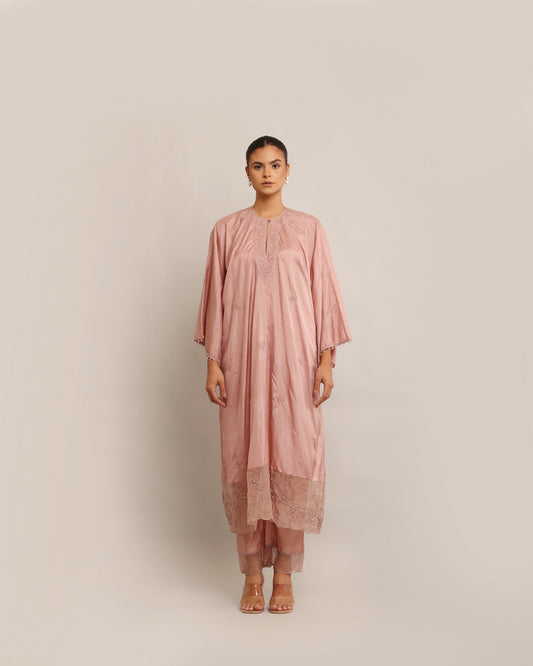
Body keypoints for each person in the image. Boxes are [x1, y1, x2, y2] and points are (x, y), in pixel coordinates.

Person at [193, 135, 352, 613]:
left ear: (287, 171)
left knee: (292, 453)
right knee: (244, 454)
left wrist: (325, 358)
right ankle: (250, 576)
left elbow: (323, 292)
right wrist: (214, 361)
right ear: (247, 173)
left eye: (275, 164)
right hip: (241, 364)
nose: (267, 173)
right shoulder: (226, 231)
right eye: (258, 165)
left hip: (294, 362)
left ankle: (284, 574)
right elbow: (215, 299)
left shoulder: (308, 229)